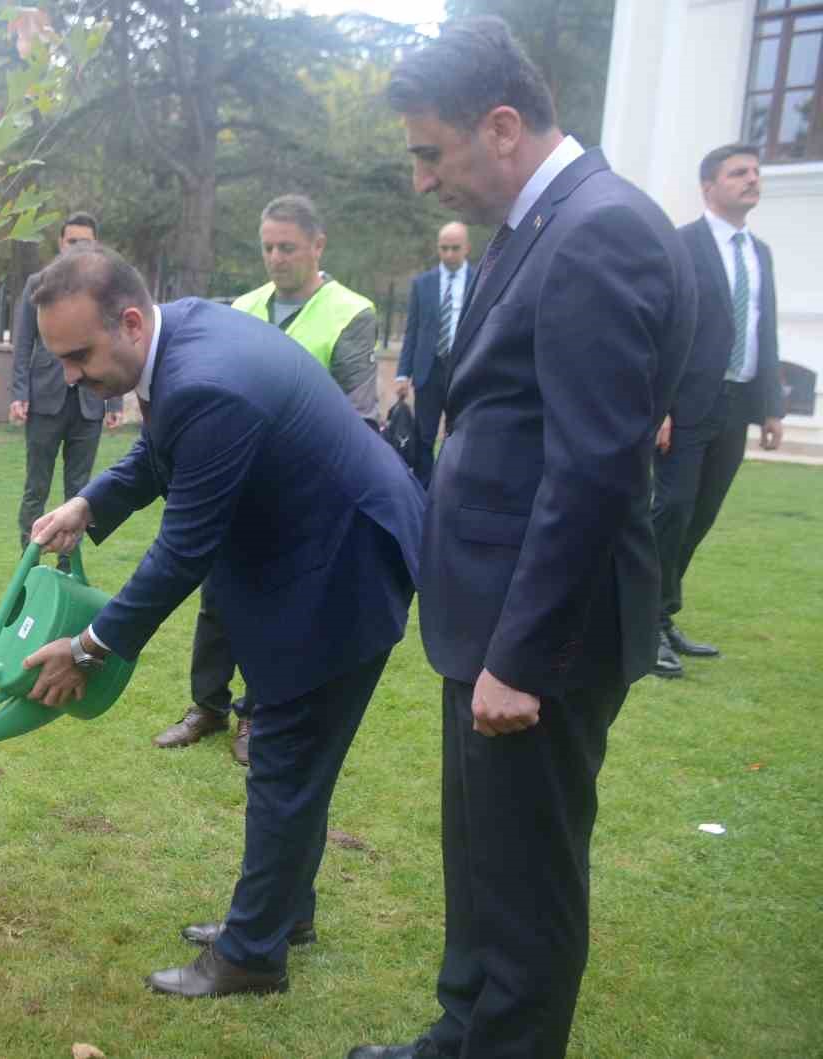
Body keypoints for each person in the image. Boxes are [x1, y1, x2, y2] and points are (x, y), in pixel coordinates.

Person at [349, 18, 696, 1059]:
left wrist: (520, 657)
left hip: (539, 638)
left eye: (429, 153)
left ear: (500, 127)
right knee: (485, 859)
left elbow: (593, 468)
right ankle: (461, 1033)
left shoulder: (602, 231)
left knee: (528, 878)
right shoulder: (544, 225)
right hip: (492, 619)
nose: (421, 182)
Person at [20, 245, 424, 999]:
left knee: (284, 761)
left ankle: (251, 954)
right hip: (316, 555)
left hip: (341, 571)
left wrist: (90, 646)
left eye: (78, 355)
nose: (71, 376)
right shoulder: (188, 336)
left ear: (132, 321)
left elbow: (183, 549)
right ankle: (281, 914)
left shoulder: (208, 383)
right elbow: (161, 452)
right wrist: (90, 502)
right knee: (292, 761)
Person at [155, 194, 381, 765]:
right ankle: (205, 704)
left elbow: (359, 413)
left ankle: (255, 715)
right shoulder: (243, 305)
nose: (276, 258)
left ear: (317, 245)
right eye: (268, 247)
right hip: (233, 480)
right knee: (215, 600)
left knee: (272, 607)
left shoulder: (349, 312)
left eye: (288, 247)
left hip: (300, 493)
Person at [650, 144, 784, 679]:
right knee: (673, 508)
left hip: (738, 403)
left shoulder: (760, 252)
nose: (752, 180)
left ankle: (663, 614)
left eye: (755, 172)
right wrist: (658, 406)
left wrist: (773, 406)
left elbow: (764, 331)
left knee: (701, 514)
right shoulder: (682, 245)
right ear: (709, 186)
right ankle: (643, 623)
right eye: (739, 173)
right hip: (685, 408)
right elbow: (662, 328)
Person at [10, 212, 124, 569]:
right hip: (45, 398)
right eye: (72, 241)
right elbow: (23, 342)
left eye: (86, 242)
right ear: (61, 243)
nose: (78, 247)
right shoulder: (37, 284)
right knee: (36, 489)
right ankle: (27, 567)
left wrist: (115, 398)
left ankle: (66, 569)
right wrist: (19, 393)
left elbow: (115, 343)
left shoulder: (104, 289)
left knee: (80, 494)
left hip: (90, 402)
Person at [394, 222, 473, 486]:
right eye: (444, 248)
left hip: (463, 370)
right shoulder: (422, 284)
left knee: (459, 435)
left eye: (455, 248)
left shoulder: (480, 280)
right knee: (425, 437)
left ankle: (452, 489)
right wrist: (402, 374)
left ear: (467, 248)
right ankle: (423, 493)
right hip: (428, 370)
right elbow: (412, 331)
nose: (449, 254)